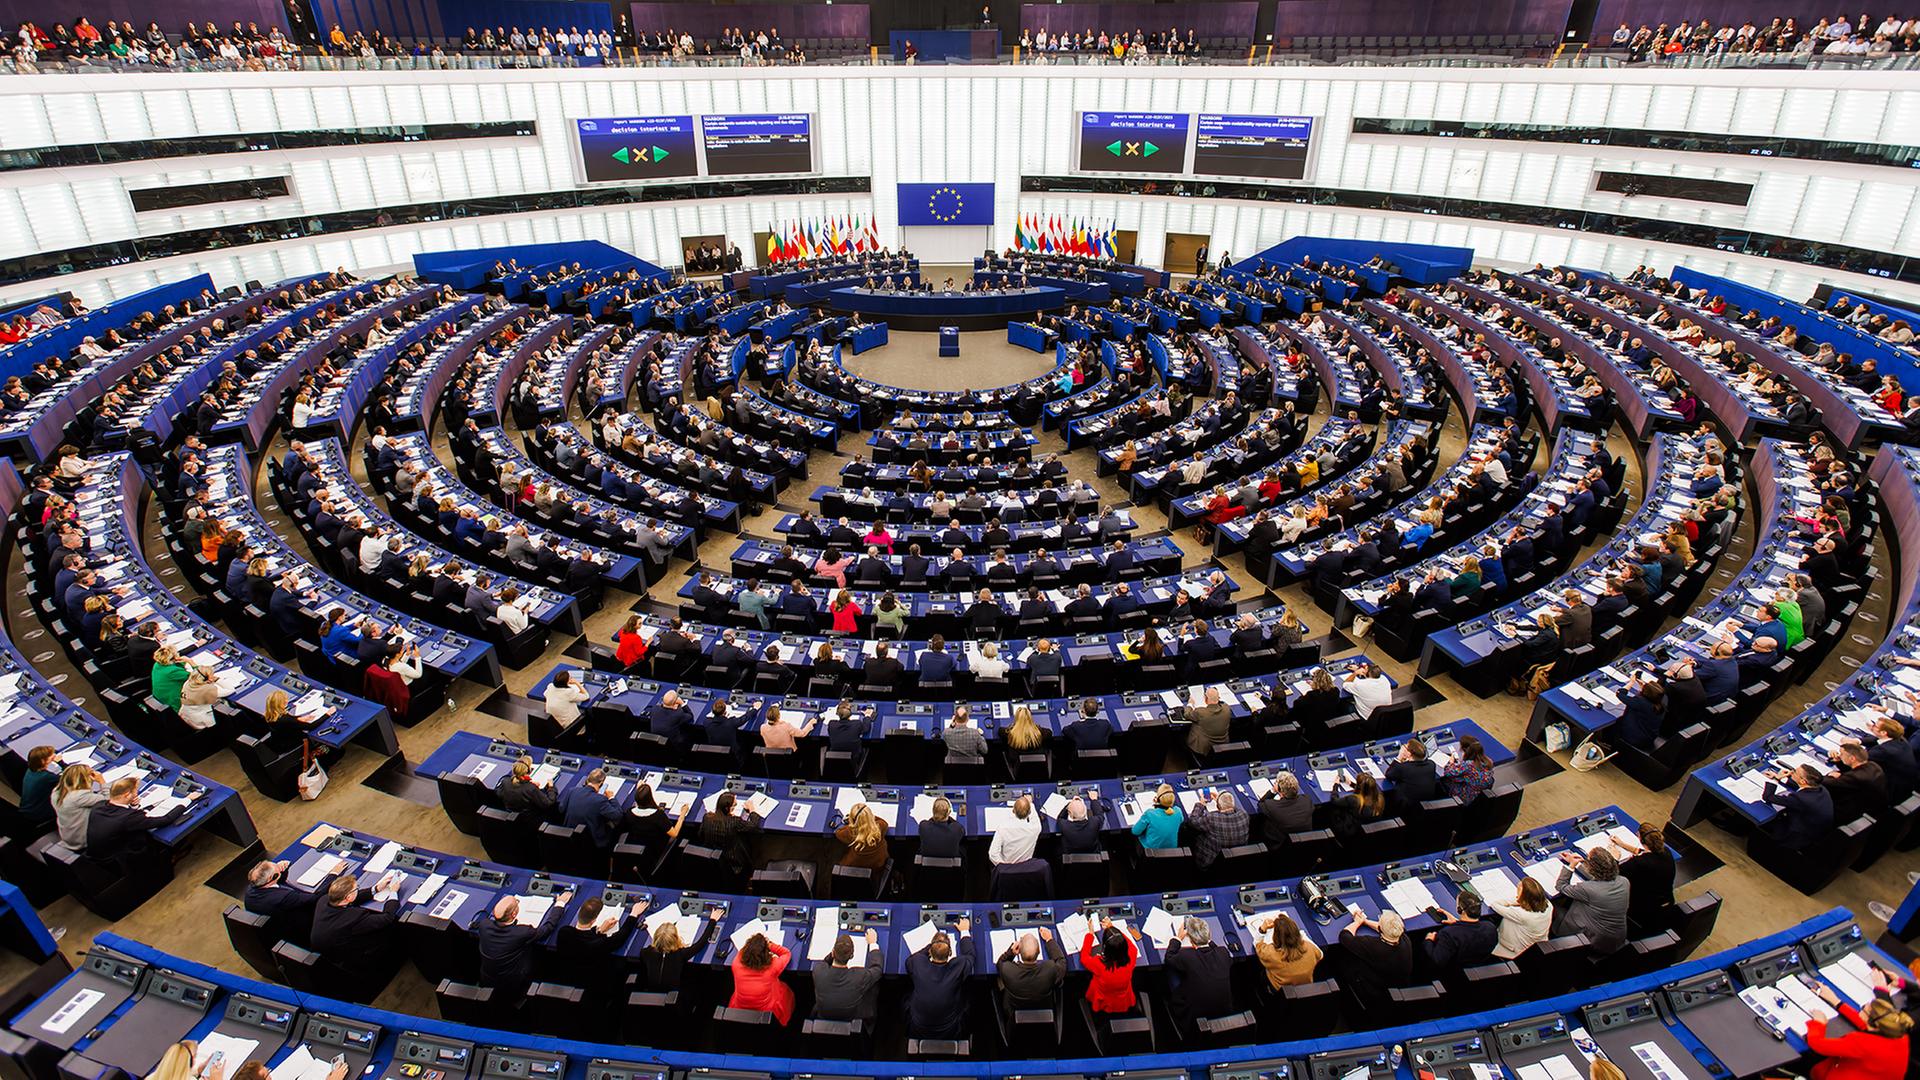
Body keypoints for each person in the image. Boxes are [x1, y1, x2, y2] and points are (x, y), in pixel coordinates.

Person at [1803, 978, 1913, 1080]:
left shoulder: (1861, 1042)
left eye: (1864, 1008)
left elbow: (1817, 1044)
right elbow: (1865, 1026)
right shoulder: (1899, 1034)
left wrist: (1819, 1023)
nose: (1861, 1008)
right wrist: (1837, 1002)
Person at [85, 776, 198, 866]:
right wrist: (187, 800)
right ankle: (170, 856)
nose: (136, 794)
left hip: (98, 855)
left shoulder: (99, 806)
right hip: (121, 858)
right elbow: (165, 820)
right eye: (135, 791)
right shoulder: (128, 818)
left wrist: (133, 806)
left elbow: (119, 814)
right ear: (126, 795)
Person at [477, 890, 572, 993]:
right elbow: (548, 928)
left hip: (487, 979)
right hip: (513, 984)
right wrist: (560, 903)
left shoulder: (484, 925)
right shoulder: (523, 932)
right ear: (514, 914)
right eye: (517, 903)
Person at [310, 871, 405, 964]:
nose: (358, 890)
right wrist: (393, 892)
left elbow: (352, 899)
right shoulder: (353, 918)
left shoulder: (324, 900)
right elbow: (387, 918)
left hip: (325, 951)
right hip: (349, 957)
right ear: (348, 897)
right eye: (356, 888)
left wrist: (376, 888)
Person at [1552, 847, 1630, 953]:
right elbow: (1601, 877)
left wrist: (1571, 866)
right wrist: (1580, 864)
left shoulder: (1588, 889)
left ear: (1593, 868)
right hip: (1616, 938)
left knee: (1551, 906)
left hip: (1589, 941)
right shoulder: (1624, 881)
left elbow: (1561, 886)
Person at [906, 919, 974, 1037]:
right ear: (950, 953)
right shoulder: (959, 966)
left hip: (918, 1028)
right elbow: (970, 955)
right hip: (951, 1029)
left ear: (930, 952)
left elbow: (910, 961)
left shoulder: (917, 963)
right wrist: (964, 931)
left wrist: (934, 946)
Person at [1163, 916, 1235, 1025]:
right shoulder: (1223, 952)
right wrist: (1206, 939)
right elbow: (1216, 950)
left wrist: (1178, 938)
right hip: (1225, 1013)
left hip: (1194, 1019)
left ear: (1191, 941)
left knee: (1171, 970)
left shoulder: (1186, 956)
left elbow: (1169, 957)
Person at [1336, 908, 1412, 1009]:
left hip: (1374, 992)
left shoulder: (1371, 945)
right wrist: (1365, 921)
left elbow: (1345, 936)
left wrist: (1357, 922)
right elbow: (1386, 930)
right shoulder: (1405, 939)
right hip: (1397, 987)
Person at [640, 909, 722, 991]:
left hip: (650, 991)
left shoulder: (645, 952)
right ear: (675, 938)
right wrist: (713, 920)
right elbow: (701, 943)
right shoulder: (681, 954)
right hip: (672, 993)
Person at [811, 929, 883, 1022]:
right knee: (873, 986)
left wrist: (835, 953)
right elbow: (877, 969)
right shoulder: (859, 976)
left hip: (824, 1014)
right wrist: (873, 944)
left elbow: (824, 962)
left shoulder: (819, 970)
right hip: (850, 1016)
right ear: (851, 955)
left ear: (833, 952)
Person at [1422, 891, 1497, 976]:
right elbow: (1469, 931)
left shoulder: (1449, 934)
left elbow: (1437, 960)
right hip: (1479, 963)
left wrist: (1429, 941)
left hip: (1454, 970)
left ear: (1459, 909)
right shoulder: (1490, 927)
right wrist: (1457, 923)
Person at [728, 932, 795, 1024]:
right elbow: (786, 953)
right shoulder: (773, 966)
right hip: (767, 1012)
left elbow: (742, 952)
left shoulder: (736, 964)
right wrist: (770, 945)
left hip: (740, 1009)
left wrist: (753, 946)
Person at [996, 928, 1066, 1013]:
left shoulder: (1008, 970)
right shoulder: (1050, 969)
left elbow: (1000, 963)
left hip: (1014, 1008)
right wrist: (1049, 940)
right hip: (1043, 1006)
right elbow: (1061, 962)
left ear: (1019, 951)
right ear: (1039, 951)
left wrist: (1011, 953)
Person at [1081, 917, 1142, 1014]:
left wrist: (1090, 934)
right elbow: (1130, 945)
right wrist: (1112, 928)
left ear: (1105, 947)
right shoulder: (1131, 956)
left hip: (1103, 1001)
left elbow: (1084, 958)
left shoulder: (1099, 963)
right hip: (1123, 999)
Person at [1487, 877, 1553, 959]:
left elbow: (1495, 905)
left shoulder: (1521, 914)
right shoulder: (1549, 905)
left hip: (1515, 951)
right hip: (1537, 948)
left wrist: (1519, 900)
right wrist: (1522, 900)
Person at [1253, 911, 1322, 989]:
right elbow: (1320, 954)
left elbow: (1257, 943)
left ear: (1275, 937)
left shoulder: (1270, 953)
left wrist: (1262, 928)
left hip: (1281, 991)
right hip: (1305, 989)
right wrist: (1296, 932)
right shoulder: (1310, 948)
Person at [699, 790, 762, 873]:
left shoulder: (707, 817)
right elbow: (754, 826)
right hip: (734, 862)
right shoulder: (734, 821)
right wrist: (752, 810)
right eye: (734, 805)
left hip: (712, 856)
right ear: (727, 808)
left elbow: (700, 835)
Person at [53, 764, 107, 850]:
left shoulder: (57, 791)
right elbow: (109, 799)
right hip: (82, 841)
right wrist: (102, 781)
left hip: (68, 835)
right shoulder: (79, 796)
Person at [1189, 789, 1248, 868]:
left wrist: (1201, 804)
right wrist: (1221, 799)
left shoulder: (1212, 818)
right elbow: (1234, 808)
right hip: (1238, 861)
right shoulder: (1243, 815)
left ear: (1217, 806)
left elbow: (1193, 821)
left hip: (1211, 863)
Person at [989, 794, 1042, 865]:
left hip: (1006, 868)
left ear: (1013, 810)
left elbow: (993, 854)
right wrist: (1030, 803)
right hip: (1026, 868)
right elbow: (1035, 818)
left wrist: (1004, 867)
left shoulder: (1003, 828)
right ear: (1029, 812)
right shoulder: (1036, 828)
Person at [835, 802, 889, 870]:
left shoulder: (849, 833)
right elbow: (883, 821)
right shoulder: (880, 826)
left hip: (856, 864)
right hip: (878, 862)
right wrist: (867, 817)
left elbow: (838, 832)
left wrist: (852, 823)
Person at [1131, 783, 1185, 849]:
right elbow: (1181, 820)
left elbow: (1135, 831)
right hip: (1171, 850)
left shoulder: (1149, 813)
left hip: (1151, 851)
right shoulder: (1178, 811)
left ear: (1157, 799)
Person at [1184, 685, 1232, 758]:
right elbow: (1223, 704)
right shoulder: (1227, 709)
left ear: (1206, 699)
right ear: (1219, 698)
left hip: (1202, 748)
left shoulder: (1200, 712)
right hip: (1222, 746)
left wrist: (1190, 704)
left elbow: (1187, 714)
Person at [19, 745, 60, 826]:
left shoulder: (30, 770)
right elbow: (70, 778)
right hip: (40, 814)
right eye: (50, 756)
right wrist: (61, 762)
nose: (54, 756)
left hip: (28, 810)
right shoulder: (46, 777)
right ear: (43, 761)